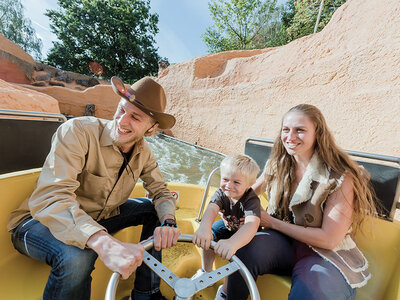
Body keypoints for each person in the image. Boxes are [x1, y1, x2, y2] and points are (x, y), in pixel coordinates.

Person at [7, 76, 181, 300]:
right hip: (37, 222)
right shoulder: (78, 130)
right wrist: (104, 243)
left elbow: (160, 192)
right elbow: (53, 198)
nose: (122, 121)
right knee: (78, 257)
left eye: (135, 117)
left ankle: (146, 293)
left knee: (152, 209)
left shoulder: (144, 153)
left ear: (152, 127)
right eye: (121, 110)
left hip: (96, 219)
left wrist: (168, 221)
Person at [217, 104, 377, 300]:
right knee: (242, 248)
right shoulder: (278, 163)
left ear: (317, 133)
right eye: (286, 129)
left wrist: (272, 222)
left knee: (312, 291)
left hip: (324, 253)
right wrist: (228, 212)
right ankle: (226, 296)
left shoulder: (340, 176)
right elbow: (246, 196)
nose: (290, 137)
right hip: (282, 242)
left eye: (300, 130)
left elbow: (329, 239)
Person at [192, 154, 261, 281]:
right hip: (228, 227)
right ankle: (206, 271)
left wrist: (233, 243)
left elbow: (252, 225)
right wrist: (204, 228)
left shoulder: (251, 200)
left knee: (245, 252)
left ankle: (227, 288)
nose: (229, 185)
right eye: (225, 179)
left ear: (250, 184)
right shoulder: (221, 193)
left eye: (236, 182)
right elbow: (212, 208)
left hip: (246, 234)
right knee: (210, 233)